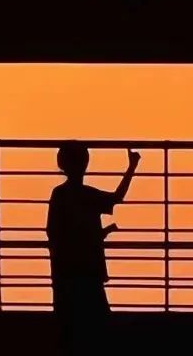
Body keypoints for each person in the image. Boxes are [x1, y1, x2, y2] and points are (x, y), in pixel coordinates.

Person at [46, 144, 140, 350]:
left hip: (65, 273)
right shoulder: (88, 196)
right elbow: (117, 197)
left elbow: (53, 233)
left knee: (68, 330)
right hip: (88, 272)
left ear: (61, 164)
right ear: (85, 165)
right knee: (97, 327)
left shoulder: (60, 194)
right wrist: (132, 167)